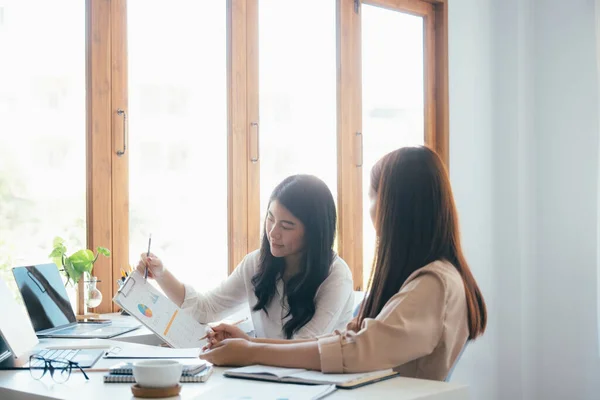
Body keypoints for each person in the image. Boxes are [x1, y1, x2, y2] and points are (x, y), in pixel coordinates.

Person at [199, 146, 487, 381]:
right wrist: (251, 345)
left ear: (397, 206)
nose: (370, 208)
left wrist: (250, 352)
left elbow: (355, 350)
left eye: (374, 196)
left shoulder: (434, 283)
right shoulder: (421, 279)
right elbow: (343, 342)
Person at [137, 174, 354, 340]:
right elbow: (206, 308)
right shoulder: (256, 263)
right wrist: (162, 274)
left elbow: (306, 345)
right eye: (270, 219)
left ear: (314, 233)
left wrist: (248, 344)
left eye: (287, 226)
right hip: (265, 377)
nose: (273, 232)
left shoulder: (336, 276)